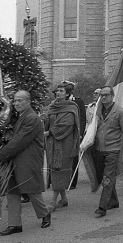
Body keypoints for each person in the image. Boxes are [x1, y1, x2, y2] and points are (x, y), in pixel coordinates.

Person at [0, 90, 52, 235]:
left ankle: (45, 213)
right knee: (12, 190)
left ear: (28, 101)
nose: (16, 104)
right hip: (16, 158)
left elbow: (20, 140)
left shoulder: (32, 118)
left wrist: (1, 155)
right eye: (14, 101)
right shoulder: (23, 116)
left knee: (32, 189)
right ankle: (14, 224)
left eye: (20, 101)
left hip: (29, 159)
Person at [92, 86, 123, 217]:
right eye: (101, 95)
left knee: (107, 177)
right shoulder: (97, 110)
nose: (103, 97)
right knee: (102, 175)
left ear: (112, 95)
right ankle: (113, 200)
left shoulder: (119, 111)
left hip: (113, 150)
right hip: (99, 149)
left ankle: (102, 207)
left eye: (106, 95)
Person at [45, 84, 80, 212]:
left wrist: (49, 132)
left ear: (67, 94)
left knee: (59, 168)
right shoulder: (53, 106)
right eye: (57, 91)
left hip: (65, 142)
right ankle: (64, 199)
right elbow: (48, 121)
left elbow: (67, 124)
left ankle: (52, 202)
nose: (58, 93)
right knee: (54, 168)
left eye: (61, 91)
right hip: (52, 143)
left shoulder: (71, 107)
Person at [62, 81, 86, 190]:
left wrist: (80, 133)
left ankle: (72, 181)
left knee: (73, 156)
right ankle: (63, 179)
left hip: (74, 133)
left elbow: (82, 118)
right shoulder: (60, 101)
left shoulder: (78, 101)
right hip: (63, 133)